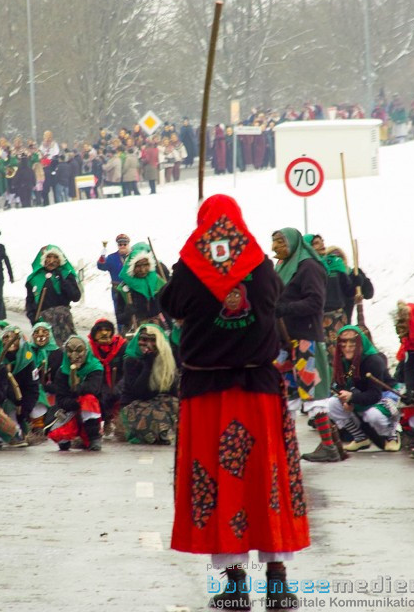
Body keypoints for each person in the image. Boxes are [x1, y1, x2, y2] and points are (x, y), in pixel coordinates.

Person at [159, 194, 308, 610]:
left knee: (216, 482)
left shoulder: (190, 267)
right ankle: (278, 584)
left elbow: (169, 304)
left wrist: (183, 263)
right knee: (267, 479)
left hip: (207, 392)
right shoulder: (260, 265)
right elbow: (273, 295)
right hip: (257, 389)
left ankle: (235, 585)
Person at [268, 228, 336, 466]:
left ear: (293, 242)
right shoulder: (283, 266)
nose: (274, 247)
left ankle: (328, 446)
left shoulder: (308, 267)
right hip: (286, 343)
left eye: (279, 242)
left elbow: (316, 302)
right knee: (288, 395)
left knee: (312, 393)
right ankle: (286, 446)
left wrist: (284, 309)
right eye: (273, 242)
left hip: (305, 340)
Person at [115, 324, 178, 445]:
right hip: (134, 404)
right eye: (143, 339)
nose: (147, 344)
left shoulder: (166, 361)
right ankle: (156, 433)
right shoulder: (131, 360)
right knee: (153, 412)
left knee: (175, 404)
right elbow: (139, 393)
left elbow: (172, 392)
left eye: (152, 340)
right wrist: (148, 365)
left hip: (157, 402)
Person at [45, 335, 105, 452]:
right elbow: (61, 399)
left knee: (89, 399)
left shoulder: (95, 368)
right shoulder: (62, 371)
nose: (74, 355)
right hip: (71, 408)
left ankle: (93, 438)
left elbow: (93, 389)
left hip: (90, 409)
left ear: (86, 351)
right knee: (59, 433)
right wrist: (75, 404)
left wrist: (77, 387)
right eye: (70, 351)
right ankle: (65, 440)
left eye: (79, 351)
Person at [25, 245, 81, 343]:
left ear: (60, 260)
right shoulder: (35, 278)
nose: (52, 261)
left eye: (55, 257)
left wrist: (61, 279)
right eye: (49, 257)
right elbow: (30, 301)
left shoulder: (66, 275)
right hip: (43, 323)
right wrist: (33, 318)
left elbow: (75, 296)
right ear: (43, 259)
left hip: (63, 322)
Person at [116, 242, 168, 330]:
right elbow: (119, 319)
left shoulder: (158, 282)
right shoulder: (125, 289)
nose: (143, 270)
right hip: (136, 330)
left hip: (158, 328)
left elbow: (169, 309)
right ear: (131, 267)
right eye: (138, 266)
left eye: (146, 265)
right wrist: (127, 314)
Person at [96, 235, 132, 335]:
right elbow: (101, 266)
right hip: (117, 290)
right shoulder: (112, 258)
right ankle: (121, 334)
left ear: (128, 244)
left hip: (133, 289)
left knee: (133, 310)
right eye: (120, 244)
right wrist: (103, 253)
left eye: (125, 244)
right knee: (119, 312)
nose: (122, 246)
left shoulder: (133, 256)